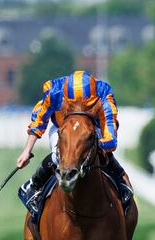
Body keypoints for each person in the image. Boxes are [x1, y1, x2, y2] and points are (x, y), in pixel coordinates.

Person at [16, 71, 132, 216]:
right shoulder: (54, 92)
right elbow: (38, 122)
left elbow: (111, 140)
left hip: (91, 127)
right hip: (61, 126)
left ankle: (121, 182)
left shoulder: (103, 93)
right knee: (58, 155)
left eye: (86, 106)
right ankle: (32, 186)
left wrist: (92, 146)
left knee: (100, 153)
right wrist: (27, 151)